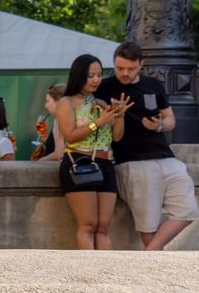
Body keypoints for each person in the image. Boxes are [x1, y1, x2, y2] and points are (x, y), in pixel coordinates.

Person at [95, 42, 199, 250]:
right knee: (148, 227)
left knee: (187, 210)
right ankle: (154, 264)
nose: (124, 73)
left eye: (130, 68)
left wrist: (160, 125)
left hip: (166, 157)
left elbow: (171, 119)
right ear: (114, 64)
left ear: (141, 65)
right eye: (119, 68)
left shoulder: (153, 85)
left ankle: (149, 256)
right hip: (132, 162)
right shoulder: (105, 87)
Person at [56, 53, 132, 250]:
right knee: (88, 224)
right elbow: (69, 135)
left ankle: (106, 271)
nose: (96, 79)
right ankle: (89, 271)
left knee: (103, 226)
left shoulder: (101, 104)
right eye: (90, 75)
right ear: (79, 75)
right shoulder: (67, 103)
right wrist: (97, 123)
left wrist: (120, 116)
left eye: (99, 75)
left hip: (105, 162)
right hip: (80, 161)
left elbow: (116, 137)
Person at [32, 84, 66, 162]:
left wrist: (39, 162)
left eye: (48, 101)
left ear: (59, 101)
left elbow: (59, 154)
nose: (45, 106)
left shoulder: (60, 121)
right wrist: (46, 138)